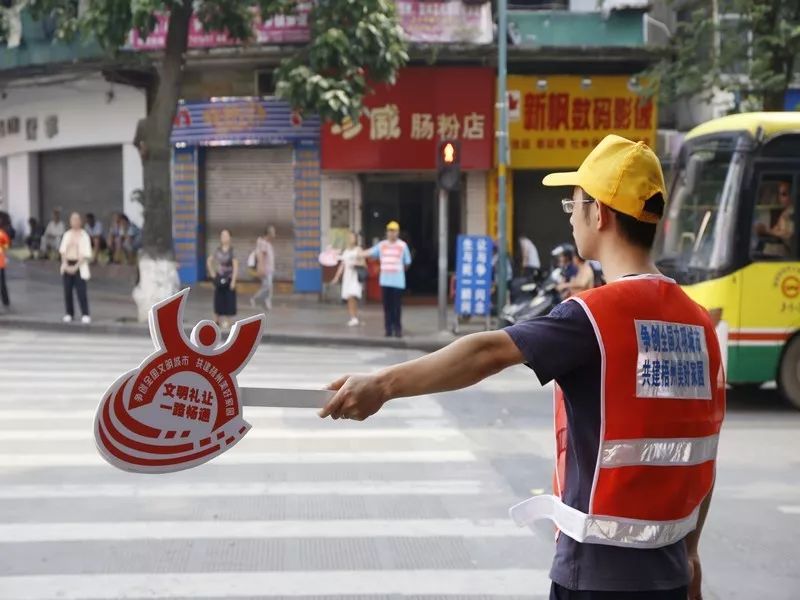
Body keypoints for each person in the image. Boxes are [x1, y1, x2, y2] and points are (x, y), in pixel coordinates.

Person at [319, 135, 725, 600]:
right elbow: (703, 451)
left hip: (597, 573)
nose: (571, 214)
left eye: (573, 203)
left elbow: (486, 352)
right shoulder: (698, 323)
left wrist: (382, 385)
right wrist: (691, 554)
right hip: (670, 572)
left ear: (600, 213)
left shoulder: (593, 315)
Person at [363, 221, 411, 338]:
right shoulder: (382, 245)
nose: (392, 233)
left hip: (398, 282)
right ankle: (388, 329)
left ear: (398, 232)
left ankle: (398, 329)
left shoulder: (402, 246)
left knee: (397, 307)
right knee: (387, 307)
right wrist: (356, 253)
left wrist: (398, 271)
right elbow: (370, 253)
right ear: (387, 232)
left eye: (394, 231)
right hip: (385, 281)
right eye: (390, 231)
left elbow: (407, 262)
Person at [59, 212, 92, 324]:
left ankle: (85, 314)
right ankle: (69, 313)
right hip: (67, 263)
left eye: (77, 219)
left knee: (81, 291)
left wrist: (76, 267)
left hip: (80, 265)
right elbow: (62, 251)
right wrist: (66, 265)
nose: (75, 222)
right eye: (73, 219)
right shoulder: (67, 234)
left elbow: (86, 253)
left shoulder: (84, 235)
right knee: (67, 291)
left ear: (80, 221)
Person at [331, 231, 364, 326]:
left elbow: (363, 263)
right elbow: (342, 265)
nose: (350, 239)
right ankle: (353, 317)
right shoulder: (345, 251)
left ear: (356, 239)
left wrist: (355, 264)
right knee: (349, 297)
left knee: (352, 296)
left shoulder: (358, 249)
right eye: (349, 237)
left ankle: (354, 317)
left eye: (352, 237)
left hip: (355, 276)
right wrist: (337, 277)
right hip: (347, 276)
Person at [207, 229, 238, 330]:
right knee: (218, 299)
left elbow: (235, 266)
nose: (224, 237)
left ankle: (228, 322)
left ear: (230, 238)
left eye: (226, 235)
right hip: (219, 278)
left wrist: (233, 280)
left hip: (229, 278)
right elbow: (209, 261)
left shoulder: (232, 251)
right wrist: (212, 274)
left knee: (229, 300)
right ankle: (217, 321)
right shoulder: (217, 250)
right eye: (222, 236)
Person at [755, 180, 793, 257]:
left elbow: (788, 234)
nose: (780, 198)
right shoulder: (785, 212)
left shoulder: (792, 213)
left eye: (784, 194)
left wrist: (766, 231)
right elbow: (777, 230)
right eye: (780, 194)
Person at [251, 225, 276, 311]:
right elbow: (261, 256)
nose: (274, 234)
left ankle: (266, 302)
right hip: (266, 270)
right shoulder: (264, 243)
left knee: (268, 287)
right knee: (268, 287)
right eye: (273, 232)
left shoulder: (266, 243)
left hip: (269, 269)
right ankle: (256, 299)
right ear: (268, 233)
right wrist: (261, 268)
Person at [0, 220, 9, 311]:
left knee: (2, 284)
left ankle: (5, 300)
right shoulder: (2, 234)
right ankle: (5, 300)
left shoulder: (2, 234)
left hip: (1, 263)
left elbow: (6, 246)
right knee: (2, 283)